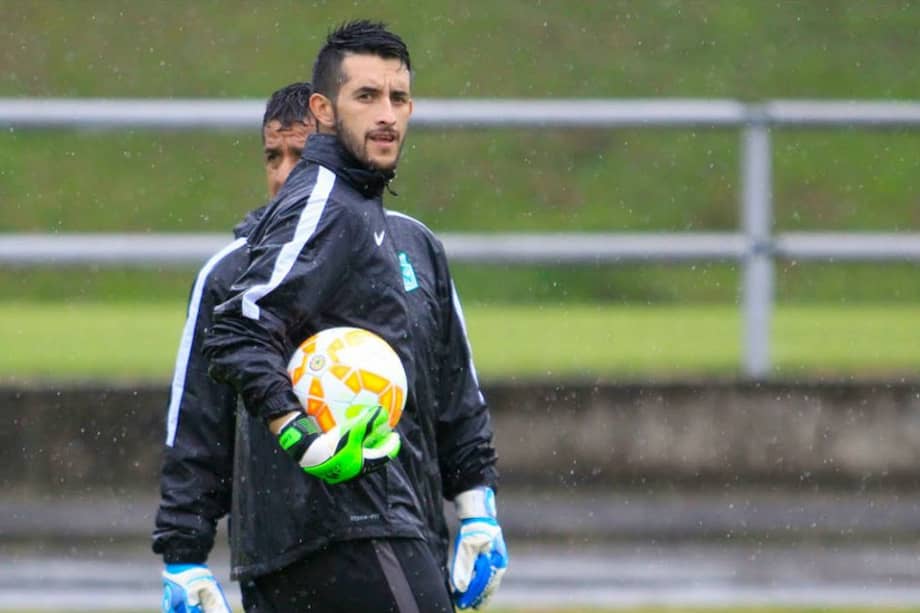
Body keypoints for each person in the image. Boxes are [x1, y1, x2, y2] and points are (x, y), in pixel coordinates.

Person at [156, 21, 506, 613]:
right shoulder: (311, 216)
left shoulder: (409, 245)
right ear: (327, 111)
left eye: (397, 98)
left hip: (395, 527)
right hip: (341, 538)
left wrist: (477, 512)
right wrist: (184, 555)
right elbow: (202, 417)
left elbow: (452, 396)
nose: (387, 114)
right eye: (367, 96)